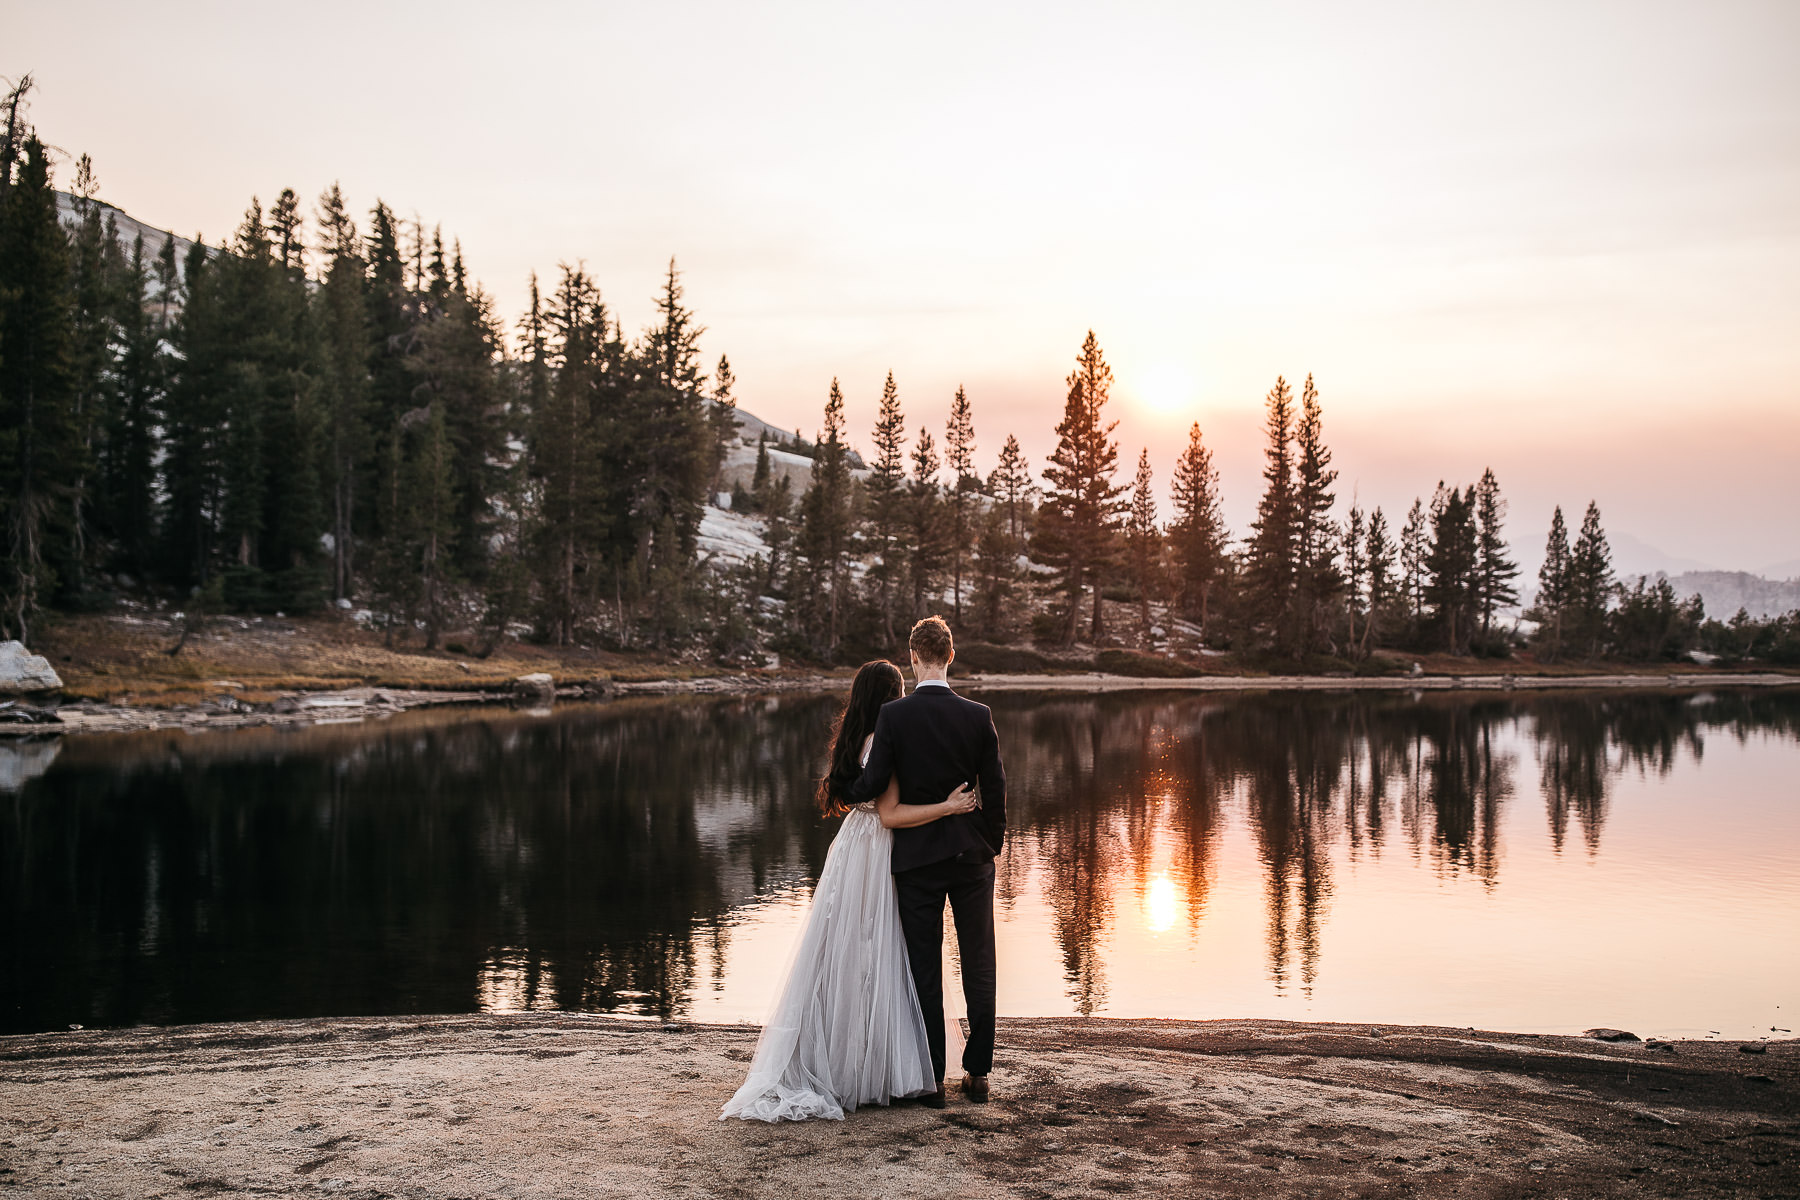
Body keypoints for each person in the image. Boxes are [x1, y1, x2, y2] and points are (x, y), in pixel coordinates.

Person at [721, 659, 980, 1121]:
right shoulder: (885, 739)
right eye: (900, 690)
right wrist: (948, 805)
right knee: (879, 952)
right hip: (879, 850)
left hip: (851, 848)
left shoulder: (856, 739)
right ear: (891, 695)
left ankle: (841, 1054)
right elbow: (892, 815)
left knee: (845, 953)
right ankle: (874, 1067)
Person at [849, 615, 1006, 1105]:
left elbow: (873, 783)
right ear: (950, 656)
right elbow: (995, 788)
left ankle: (933, 1078)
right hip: (970, 856)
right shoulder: (978, 715)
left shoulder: (894, 716)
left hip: (916, 859)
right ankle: (978, 1073)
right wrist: (990, 841)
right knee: (980, 962)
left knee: (924, 967)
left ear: (913, 657)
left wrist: (840, 789)